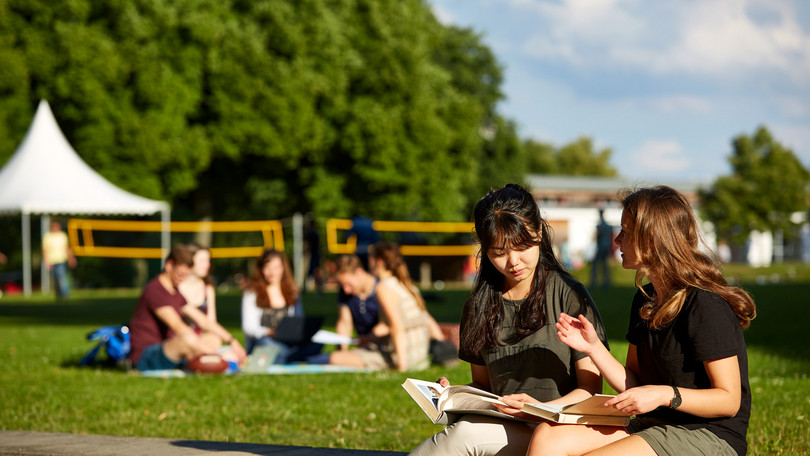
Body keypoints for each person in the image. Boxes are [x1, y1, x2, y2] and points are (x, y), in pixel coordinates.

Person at [527, 186, 757, 456]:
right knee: (547, 437)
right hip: (652, 426)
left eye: (625, 231)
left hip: (708, 435)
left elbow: (729, 400)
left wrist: (664, 394)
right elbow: (635, 384)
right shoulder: (645, 300)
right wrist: (593, 348)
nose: (617, 240)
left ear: (651, 240)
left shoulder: (704, 304)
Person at [409, 184, 609, 456]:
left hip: (563, 429)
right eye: (499, 253)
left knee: (469, 436)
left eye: (521, 246)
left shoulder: (568, 294)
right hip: (510, 425)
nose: (513, 261)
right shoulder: (479, 305)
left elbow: (590, 390)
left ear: (539, 231)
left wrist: (540, 409)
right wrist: (453, 395)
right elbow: (484, 386)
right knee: (463, 433)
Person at [129, 244, 246, 371]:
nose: (183, 279)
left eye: (186, 275)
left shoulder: (175, 292)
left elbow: (203, 320)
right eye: (180, 274)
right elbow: (178, 327)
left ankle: (205, 360)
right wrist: (215, 355)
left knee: (213, 338)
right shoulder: (155, 290)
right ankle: (213, 360)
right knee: (188, 338)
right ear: (169, 266)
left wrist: (232, 340)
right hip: (147, 355)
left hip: (168, 347)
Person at [327, 252, 453, 364]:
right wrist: (342, 348)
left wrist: (442, 344)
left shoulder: (382, 288)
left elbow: (396, 324)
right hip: (367, 342)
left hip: (386, 343)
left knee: (335, 358)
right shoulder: (346, 294)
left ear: (359, 272)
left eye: (348, 284)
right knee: (338, 357)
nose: (346, 289)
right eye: (342, 285)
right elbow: (344, 321)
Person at [241, 249, 323, 362]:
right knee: (268, 344)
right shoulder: (251, 294)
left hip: (288, 341)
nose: (272, 272)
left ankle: (285, 356)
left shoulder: (292, 293)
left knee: (316, 344)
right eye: (268, 268)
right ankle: (290, 357)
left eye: (276, 268)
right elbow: (249, 327)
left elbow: (298, 320)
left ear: (283, 269)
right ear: (261, 269)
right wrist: (268, 332)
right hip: (265, 340)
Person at [178, 242, 218, 332]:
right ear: (189, 260)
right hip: (177, 341)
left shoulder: (207, 289)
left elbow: (212, 324)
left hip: (200, 342)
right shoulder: (177, 288)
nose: (207, 265)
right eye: (202, 261)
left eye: (208, 260)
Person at [42, 220, 76, 300]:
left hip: (61, 260)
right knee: (56, 279)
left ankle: (65, 295)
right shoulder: (47, 236)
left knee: (62, 278)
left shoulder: (62, 236)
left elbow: (67, 248)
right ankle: (59, 295)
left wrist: (71, 258)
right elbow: (45, 250)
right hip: (52, 261)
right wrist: (46, 261)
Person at [590, 208, 613, 289]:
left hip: (601, 247)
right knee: (604, 265)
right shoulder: (607, 225)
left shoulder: (600, 225)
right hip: (606, 246)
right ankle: (606, 282)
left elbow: (598, 237)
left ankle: (594, 282)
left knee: (595, 265)